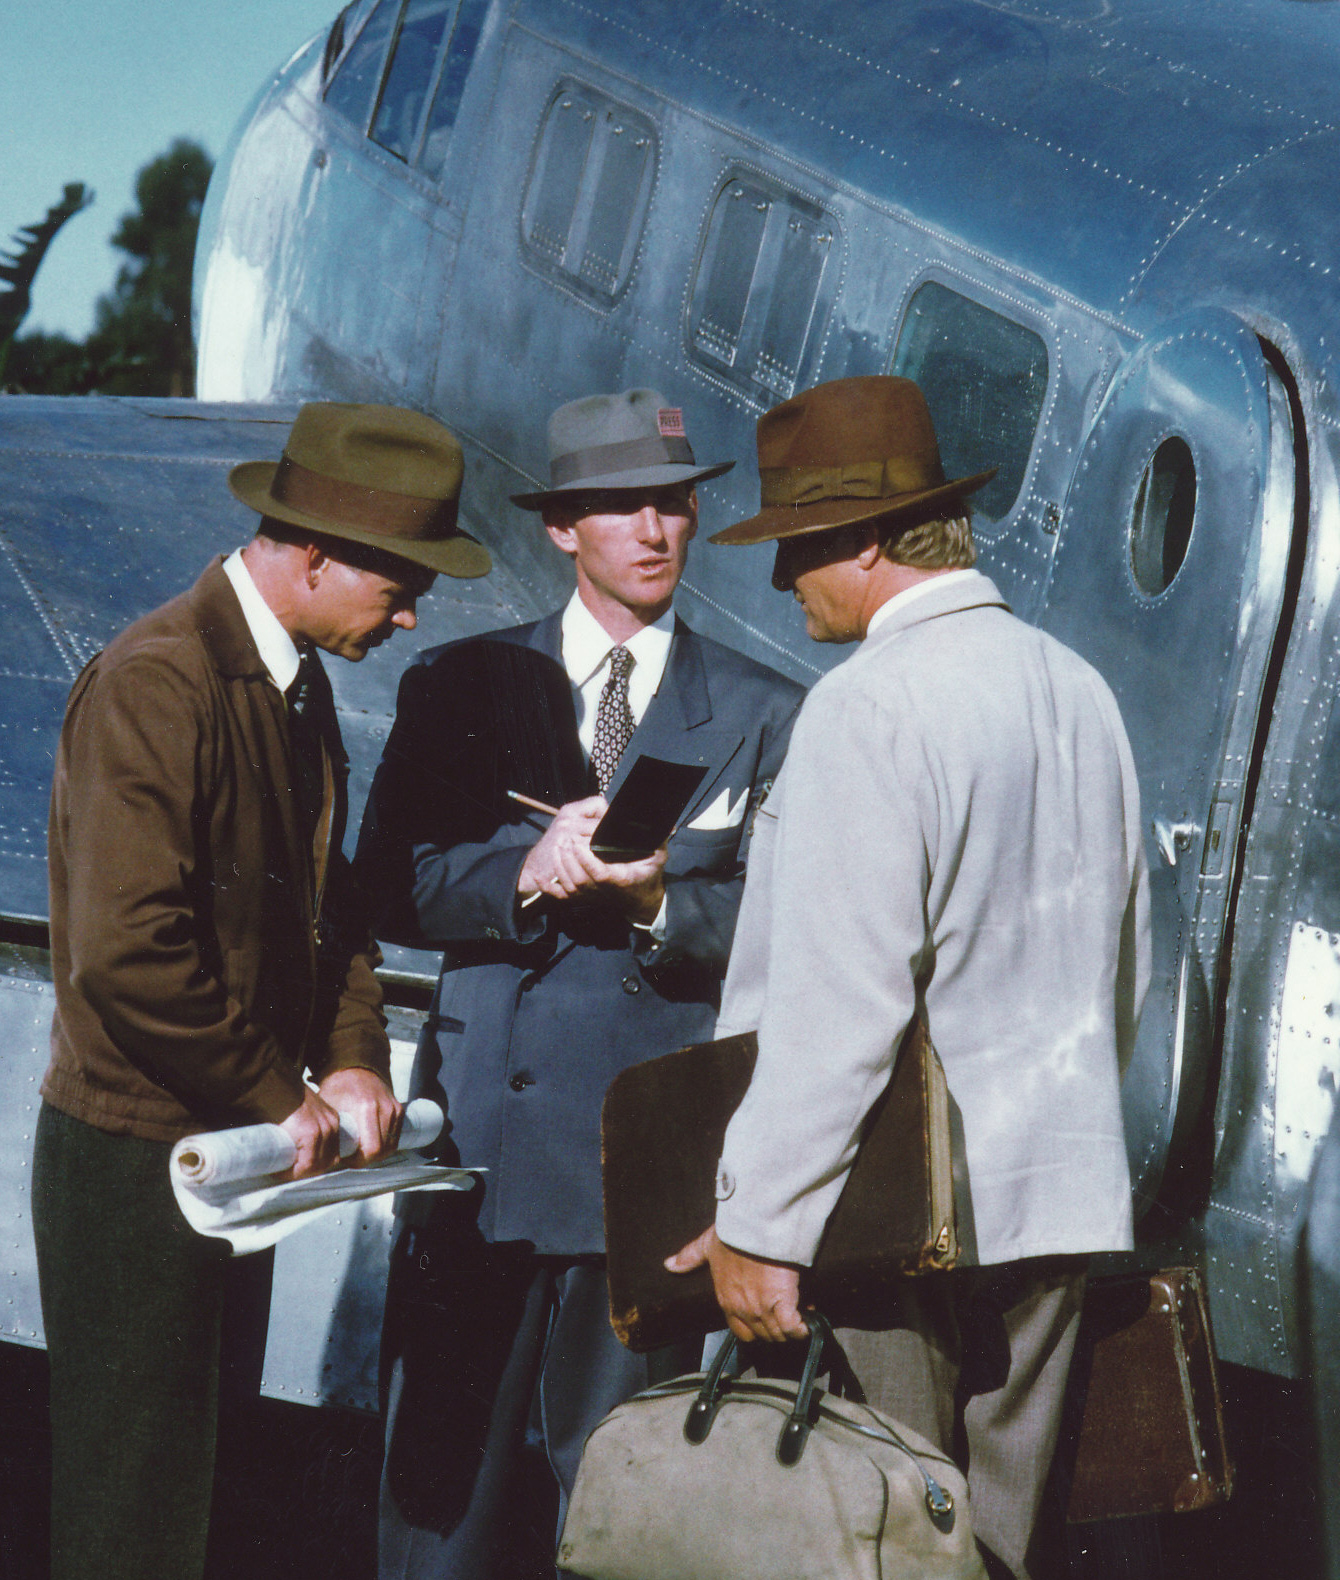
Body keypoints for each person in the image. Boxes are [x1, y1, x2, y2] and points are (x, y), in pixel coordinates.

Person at [668, 375, 1150, 1580]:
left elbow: (838, 1008)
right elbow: (1131, 965)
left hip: (892, 1220)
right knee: (996, 1552)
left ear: (868, 542)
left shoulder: (865, 707)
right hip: (1058, 1198)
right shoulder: (1078, 689)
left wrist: (760, 1217)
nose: (784, 583)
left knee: (866, 1548)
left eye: (797, 551)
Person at [31, 400, 489, 1580]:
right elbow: (124, 950)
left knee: (211, 1498)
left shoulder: (292, 690)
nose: (412, 610)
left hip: (233, 1159)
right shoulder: (157, 681)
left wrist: (350, 1061)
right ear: (314, 552)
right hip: (141, 1167)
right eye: (399, 579)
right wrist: (278, 1093)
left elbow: (325, 916)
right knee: (137, 1513)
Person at [356, 387, 805, 1578]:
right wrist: (526, 871)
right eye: (620, 508)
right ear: (562, 527)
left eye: (672, 504)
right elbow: (392, 887)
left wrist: (656, 900)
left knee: (627, 1524)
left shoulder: (766, 713)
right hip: (483, 1168)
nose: (653, 530)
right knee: (437, 1520)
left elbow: (784, 927)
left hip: (646, 1183)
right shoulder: (459, 685)